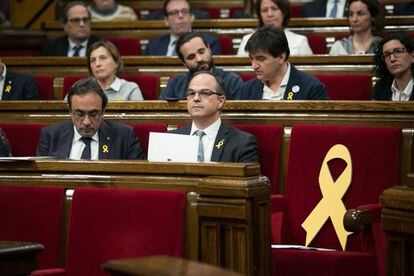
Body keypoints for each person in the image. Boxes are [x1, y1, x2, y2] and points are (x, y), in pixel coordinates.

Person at [37, 78, 145, 160]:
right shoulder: (50, 135)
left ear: (103, 111)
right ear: (70, 111)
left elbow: (138, 179)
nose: (86, 122)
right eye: (79, 114)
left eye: (94, 114)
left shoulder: (124, 136)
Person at [170, 70, 259, 163]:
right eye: (191, 93)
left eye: (205, 93)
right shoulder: (170, 139)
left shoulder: (242, 142)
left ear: (220, 101)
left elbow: (248, 177)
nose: (196, 98)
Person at [236, 27, 329, 100]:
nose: (254, 66)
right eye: (251, 59)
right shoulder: (246, 90)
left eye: (261, 59)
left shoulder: (312, 88)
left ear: (281, 57)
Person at [159, 32, 243, 100]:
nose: (199, 59)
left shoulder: (232, 81)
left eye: (201, 51)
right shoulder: (176, 84)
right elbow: (160, 112)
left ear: (209, 49)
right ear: (184, 63)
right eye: (191, 57)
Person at [238, 0, 312, 56]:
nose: (270, 14)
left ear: (284, 12)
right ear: (260, 15)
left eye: (274, 9)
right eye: (264, 10)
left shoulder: (300, 41)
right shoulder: (247, 39)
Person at [145, 0, 220, 56]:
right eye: (174, 12)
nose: (180, 16)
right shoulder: (153, 46)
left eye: (184, 11)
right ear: (166, 20)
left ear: (191, 17)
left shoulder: (209, 42)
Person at [372, 33, 414, 101]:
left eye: (398, 52)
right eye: (387, 55)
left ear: (412, 56)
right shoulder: (381, 88)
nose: (392, 59)